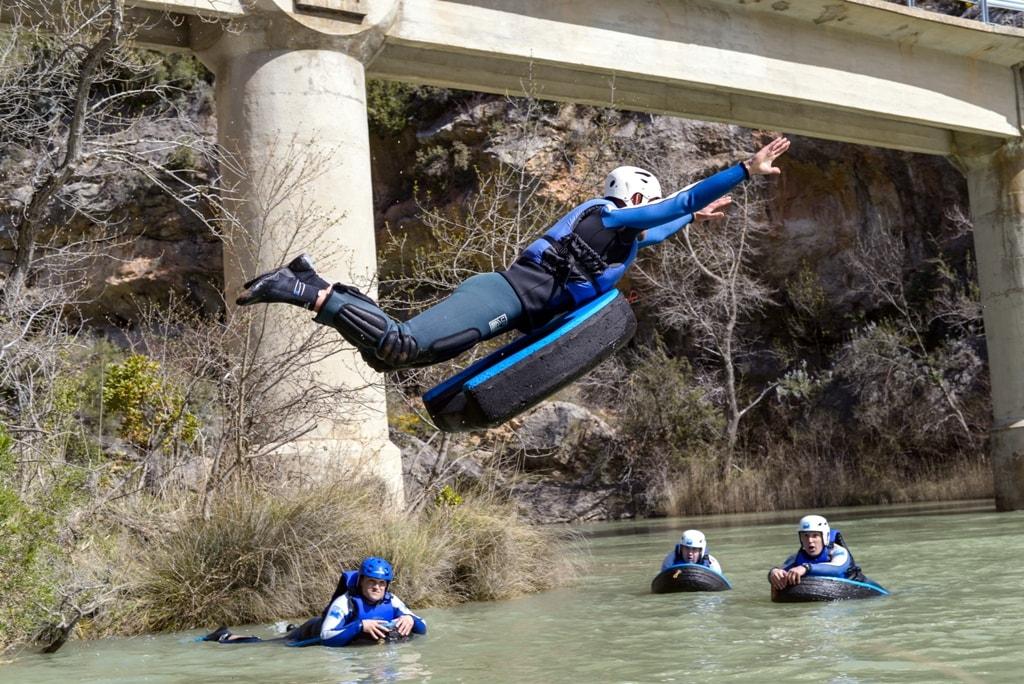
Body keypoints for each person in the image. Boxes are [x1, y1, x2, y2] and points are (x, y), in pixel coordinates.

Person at [236, 137, 791, 372]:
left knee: (389, 358)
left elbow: (663, 226)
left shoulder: (622, 238)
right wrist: (744, 171)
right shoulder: (605, 216)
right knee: (399, 343)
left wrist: (692, 218)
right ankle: (301, 288)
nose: (655, 213)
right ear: (639, 197)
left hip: (517, 310)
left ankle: (315, 282)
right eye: (654, 203)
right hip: (502, 295)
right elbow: (674, 205)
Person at [203, 556, 427, 647]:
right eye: (371, 582)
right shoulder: (345, 602)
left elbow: (423, 627)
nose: (377, 587)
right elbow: (327, 637)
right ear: (361, 582)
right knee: (268, 644)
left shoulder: (392, 600)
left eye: (381, 583)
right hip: (313, 631)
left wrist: (410, 619)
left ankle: (290, 627)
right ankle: (224, 636)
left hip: (331, 629)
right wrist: (360, 626)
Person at [767, 514, 865, 592]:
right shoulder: (796, 558)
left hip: (857, 586)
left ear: (824, 537)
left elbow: (837, 569)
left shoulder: (839, 552)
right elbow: (781, 570)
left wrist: (806, 568)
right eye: (806, 536)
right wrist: (774, 573)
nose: (810, 540)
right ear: (801, 538)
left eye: (815, 535)